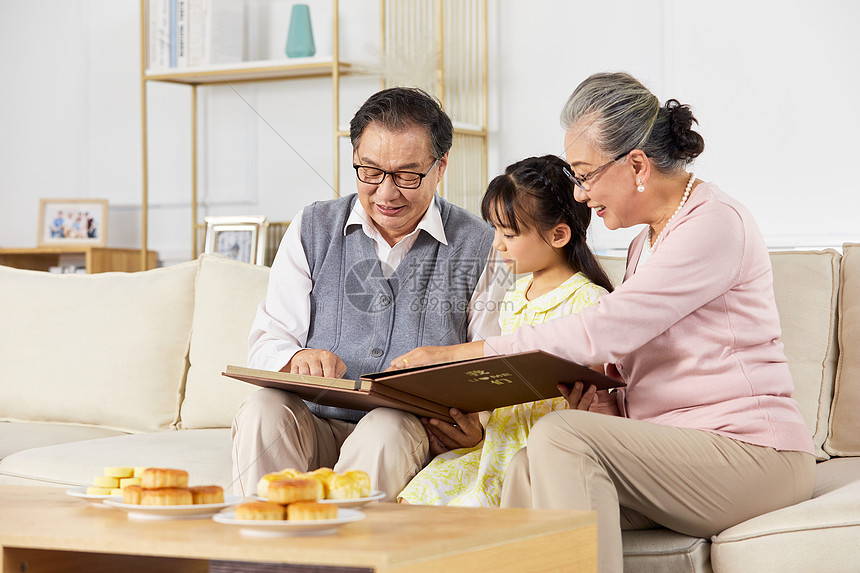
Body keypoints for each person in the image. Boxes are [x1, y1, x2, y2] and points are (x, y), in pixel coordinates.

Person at [391, 72, 815, 572]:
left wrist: (461, 354)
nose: (582, 194)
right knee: (526, 466)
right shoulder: (643, 244)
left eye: (585, 174)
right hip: (675, 452)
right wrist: (605, 404)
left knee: (560, 436)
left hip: (752, 454)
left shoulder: (713, 222)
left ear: (636, 165)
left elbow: (604, 328)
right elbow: (637, 368)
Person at [231, 87, 510, 499]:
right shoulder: (311, 228)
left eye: (406, 175)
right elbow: (268, 339)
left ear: (441, 166)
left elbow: (491, 354)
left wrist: (477, 421)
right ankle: (259, 553)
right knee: (262, 410)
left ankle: (346, 560)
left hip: (403, 434)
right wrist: (295, 358)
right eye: (371, 171)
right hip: (313, 425)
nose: (386, 193)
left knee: (386, 426)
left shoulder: (485, 245)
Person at [397, 154, 614, 507]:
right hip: (493, 448)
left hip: (537, 455)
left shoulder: (589, 301)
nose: (496, 243)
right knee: (416, 498)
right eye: (496, 230)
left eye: (509, 234)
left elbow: (601, 403)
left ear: (558, 234)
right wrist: (476, 424)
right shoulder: (515, 295)